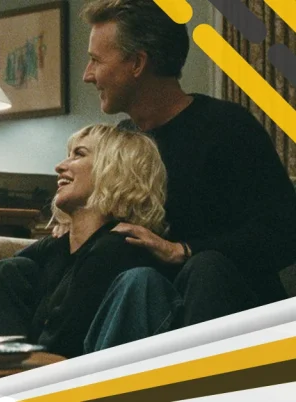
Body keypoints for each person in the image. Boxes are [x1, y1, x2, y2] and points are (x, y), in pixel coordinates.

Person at [80, 0, 296, 328]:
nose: (87, 75)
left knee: (205, 268)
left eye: (96, 60)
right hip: (143, 299)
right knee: (21, 268)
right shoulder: (119, 142)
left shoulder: (228, 127)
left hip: (231, 307)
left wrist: (183, 250)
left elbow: (285, 233)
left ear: (137, 63)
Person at [0, 124, 178, 358]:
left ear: (115, 170)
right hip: (37, 370)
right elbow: (3, 270)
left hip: (83, 374)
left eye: (79, 154)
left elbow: (64, 343)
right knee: (10, 269)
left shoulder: (119, 248)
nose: (59, 166)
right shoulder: (58, 246)